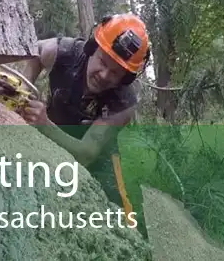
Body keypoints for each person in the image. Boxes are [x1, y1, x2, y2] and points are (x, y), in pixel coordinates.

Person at [19, 13, 151, 218]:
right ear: (91, 49)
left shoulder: (123, 103)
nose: (105, 75)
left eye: (115, 73)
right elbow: (36, 51)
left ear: (125, 79)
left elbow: (86, 154)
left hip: (98, 160)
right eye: (103, 62)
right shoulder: (64, 52)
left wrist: (44, 124)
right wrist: (23, 87)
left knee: (117, 214)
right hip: (53, 137)